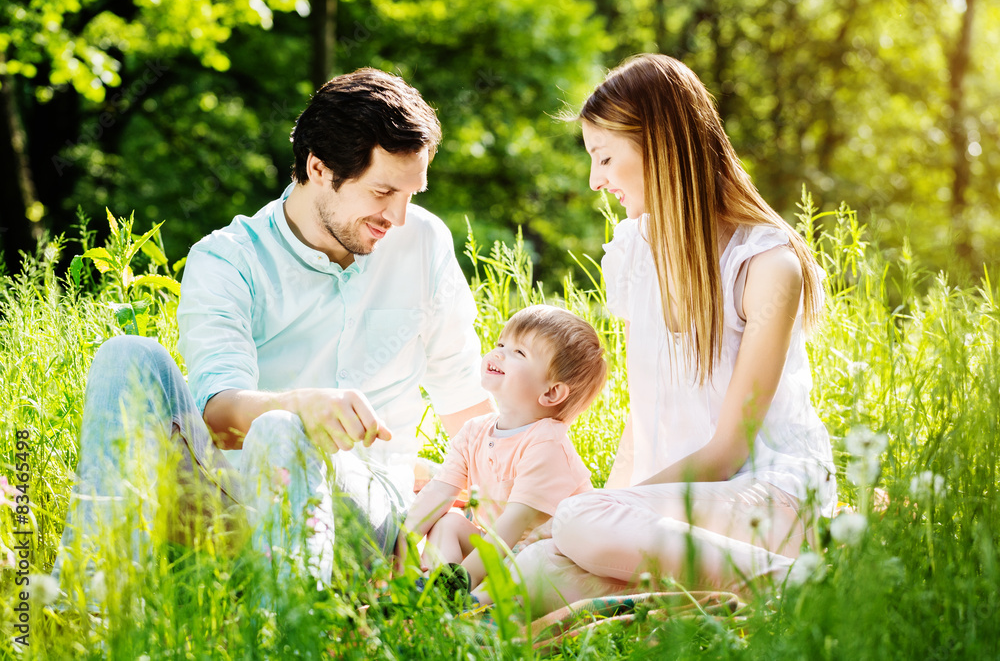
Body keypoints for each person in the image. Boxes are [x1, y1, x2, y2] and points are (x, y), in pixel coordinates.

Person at [52, 68, 494, 597]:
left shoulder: (424, 241)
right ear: (319, 168)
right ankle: (90, 601)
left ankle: (292, 630)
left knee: (285, 433)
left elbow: (467, 401)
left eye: (411, 194)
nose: (398, 217)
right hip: (231, 496)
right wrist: (298, 404)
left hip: (365, 513)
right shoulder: (228, 259)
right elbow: (215, 410)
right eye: (383, 192)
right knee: (129, 356)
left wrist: (501, 517)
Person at [505, 54, 838, 615]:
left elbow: (728, 452)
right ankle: (723, 598)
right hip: (678, 512)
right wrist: (612, 509)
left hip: (768, 495)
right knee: (530, 572)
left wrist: (602, 511)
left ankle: (805, 586)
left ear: (660, 146)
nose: (595, 180)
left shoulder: (764, 264)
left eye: (605, 157)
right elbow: (643, 419)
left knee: (578, 522)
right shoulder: (632, 253)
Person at [395, 305, 606, 592]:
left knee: (532, 568)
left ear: (551, 392)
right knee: (449, 523)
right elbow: (440, 491)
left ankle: (453, 590)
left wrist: (466, 576)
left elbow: (513, 524)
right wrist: (402, 545)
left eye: (519, 353)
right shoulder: (475, 431)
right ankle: (434, 585)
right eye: (501, 344)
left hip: (549, 557)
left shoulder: (546, 443)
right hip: (499, 550)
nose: (498, 354)